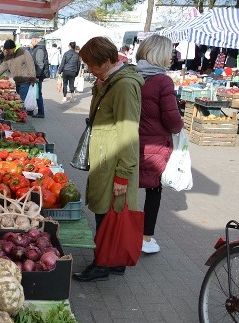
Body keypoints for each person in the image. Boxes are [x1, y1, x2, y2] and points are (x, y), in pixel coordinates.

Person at [72, 36, 143, 282]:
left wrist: (123, 173)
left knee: (109, 213)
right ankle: (115, 260)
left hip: (115, 161)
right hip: (105, 156)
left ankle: (102, 263)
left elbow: (128, 132)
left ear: (107, 61)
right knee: (108, 211)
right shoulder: (109, 81)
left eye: (93, 65)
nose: (89, 70)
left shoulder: (123, 86)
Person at [135, 35, 184, 254]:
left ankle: (123, 231)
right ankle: (145, 239)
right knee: (153, 190)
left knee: (127, 188)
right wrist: (180, 126)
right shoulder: (163, 81)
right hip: (154, 145)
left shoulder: (132, 76)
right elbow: (172, 121)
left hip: (130, 142)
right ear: (161, 54)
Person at [0, 39, 36, 106]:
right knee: (18, 101)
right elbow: (4, 65)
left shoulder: (24, 52)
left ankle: (23, 113)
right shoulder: (8, 55)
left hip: (25, 81)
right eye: (6, 49)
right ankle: (23, 112)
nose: (6, 51)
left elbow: (31, 65)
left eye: (8, 50)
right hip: (17, 81)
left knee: (20, 101)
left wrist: (33, 79)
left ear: (13, 48)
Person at [30, 37, 50, 118]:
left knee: (37, 94)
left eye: (31, 41)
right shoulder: (38, 48)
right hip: (37, 75)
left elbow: (40, 64)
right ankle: (32, 110)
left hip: (38, 76)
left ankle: (41, 112)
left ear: (35, 40)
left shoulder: (39, 50)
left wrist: (37, 76)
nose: (31, 42)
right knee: (35, 93)